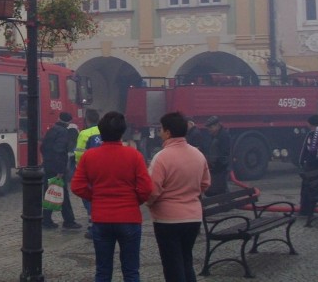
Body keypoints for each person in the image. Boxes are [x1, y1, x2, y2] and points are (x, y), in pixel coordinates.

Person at [71, 111, 153, 282]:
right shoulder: (134, 156)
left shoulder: (89, 156)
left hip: (101, 218)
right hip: (129, 218)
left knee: (102, 270)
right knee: (131, 270)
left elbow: (77, 186)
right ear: (122, 132)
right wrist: (134, 200)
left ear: (100, 132)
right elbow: (146, 188)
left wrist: (95, 197)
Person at [147, 112, 211, 282]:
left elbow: (152, 190)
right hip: (193, 216)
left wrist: (150, 204)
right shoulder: (198, 155)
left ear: (167, 132)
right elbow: (205, 183)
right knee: (186, 260)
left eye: (161, 129)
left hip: (167, 219)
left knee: (172, 264)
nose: (160, 132)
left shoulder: (161, 158)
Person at [41, 111, 81, 229]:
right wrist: (60, 170)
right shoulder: (64, 132)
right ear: (69, 122)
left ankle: (47, 220)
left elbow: (42, 147)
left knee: (49, 192)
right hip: (56, 167)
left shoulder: (52, 129)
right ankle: (69, 221)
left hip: (48, 165)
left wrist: (47, 160)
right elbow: (59, 151)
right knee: (63, 193)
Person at [74, 109, 102, 239]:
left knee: (89, 200)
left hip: (89, 172)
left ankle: (93, 227)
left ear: (87, 120)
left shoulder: (84, 133)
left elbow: (79, 153)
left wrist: (78, 169)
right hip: (103, 171)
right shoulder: (104, 131)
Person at [298, 113, 318, 216]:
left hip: (312, 167)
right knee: (314, 189)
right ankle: (309, 209)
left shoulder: (314, 134)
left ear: (310, 123)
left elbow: (313, 151)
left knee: (308, 190)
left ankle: (306, 211)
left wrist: (305, 162)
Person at [203, 116, 231, 196]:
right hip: (217, 167)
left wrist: (217, 165)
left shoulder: (223, 136)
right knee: (220, 188)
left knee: (221, 188)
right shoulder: (215, 135)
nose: (209, 130)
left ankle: (226, 203)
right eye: (208, 128)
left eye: (211, 127)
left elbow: (224, 153)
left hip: (221, 167)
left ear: (217, 125)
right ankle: (225, 203)